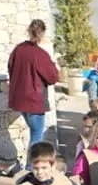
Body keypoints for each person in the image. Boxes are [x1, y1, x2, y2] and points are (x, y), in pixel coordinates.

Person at [7, 19, 59, 154]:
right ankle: (31, 169)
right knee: (36, 136)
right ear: (42, 34)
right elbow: (52, 77)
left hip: (20, 99)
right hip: (34, 101)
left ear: (29, 31)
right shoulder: (40, 54)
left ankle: (31, 168)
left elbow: (10, 68)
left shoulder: (18, 50)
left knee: (34, 133)